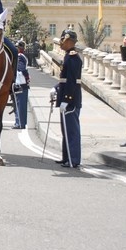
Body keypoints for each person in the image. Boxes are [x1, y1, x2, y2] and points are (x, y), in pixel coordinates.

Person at [54, 29, 82, 168]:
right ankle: (66, 157)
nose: (61, 43)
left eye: (63, 40)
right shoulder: (67, 56)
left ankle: (74, 159)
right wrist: (56, 88)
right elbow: (64, 79)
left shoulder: (73, 58)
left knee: (72, 131)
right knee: (65, 130)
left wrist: (67, 99)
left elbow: (72, 81)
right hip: (65, 98)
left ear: (69, 41)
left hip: (71, 99)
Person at [11, 40, 30, 129]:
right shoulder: (22, 56)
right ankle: (22, 123)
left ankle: (19, 123)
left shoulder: (19, 57)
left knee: (19, 104)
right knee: (21, 104)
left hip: (20, 83)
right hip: (23, 83)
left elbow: (21, 69)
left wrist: (27, 77)